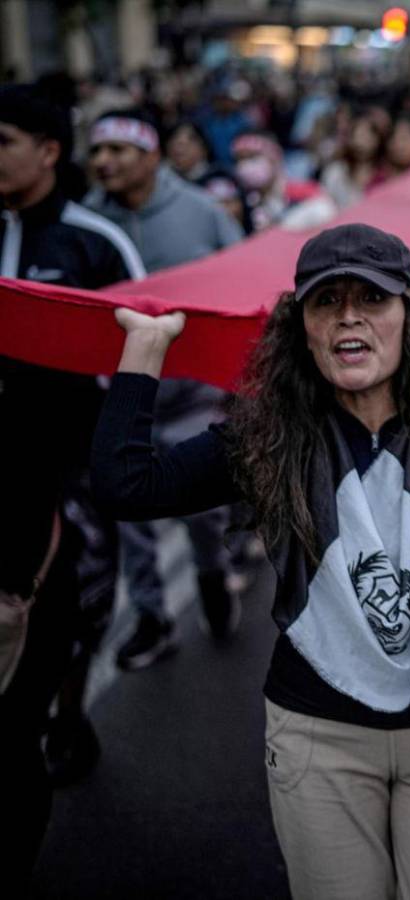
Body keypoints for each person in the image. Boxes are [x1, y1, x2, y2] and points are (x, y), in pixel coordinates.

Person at [90, 223, 410, 900]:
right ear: (300, 327)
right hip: (317, 737)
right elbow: (127, 486)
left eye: (373, 297)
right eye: (325, 302)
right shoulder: (266, 433)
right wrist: (144, 352)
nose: (349, 317)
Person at [0, 83, 146, 892]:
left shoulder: (95, 244)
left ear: (48, 150)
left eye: (3, 140)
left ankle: (69, 707)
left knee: (76, 610)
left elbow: (142, 349)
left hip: (69, 478)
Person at [86, 108, 244, 670]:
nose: (104, 162)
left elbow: (243, 281)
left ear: (150, 154)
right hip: (123, 389)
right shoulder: (89, 221)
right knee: (129, 509)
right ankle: (152, 616)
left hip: (194, 390)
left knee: (200, 508)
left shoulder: (202, 212)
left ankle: (210, 572)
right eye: (97, 151)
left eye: (118, 150)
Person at [319, 112, 390, 210]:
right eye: (359, 135)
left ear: (378, 140)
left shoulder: (385, 175)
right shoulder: (336, 170)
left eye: (368, 135)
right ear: (350, 139)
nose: (362, 140)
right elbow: (324, 202)